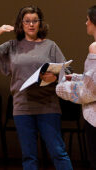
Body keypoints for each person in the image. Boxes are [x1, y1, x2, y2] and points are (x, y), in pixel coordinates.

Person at [0, 5, 73, 170]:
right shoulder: (12, 46)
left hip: (48, 105)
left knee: (58, 152)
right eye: (27, 21)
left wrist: (55, 76)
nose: (31, 24)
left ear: (40, 23)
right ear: (21, 24)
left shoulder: (50, 45)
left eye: (35, 21)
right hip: (22, 106)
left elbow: (67, 70)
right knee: (29, 156)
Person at [56, 5, 96, 170]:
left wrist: (60, 86)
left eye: (87, 19)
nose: (85, 23)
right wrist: (78, 77)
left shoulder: (95, 47)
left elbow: (89, 92)